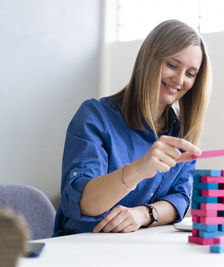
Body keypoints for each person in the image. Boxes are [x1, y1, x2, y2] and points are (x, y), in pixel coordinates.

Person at [53, 20, 212, 236]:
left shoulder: (180, 131)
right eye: (173, 65)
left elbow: (180, 199)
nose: (180, 79)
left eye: (191, 74)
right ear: (149, 60)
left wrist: (143, 214)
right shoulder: (95, 117)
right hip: (84, 248)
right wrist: (140, 168)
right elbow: (84, 203)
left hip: (138, 249)